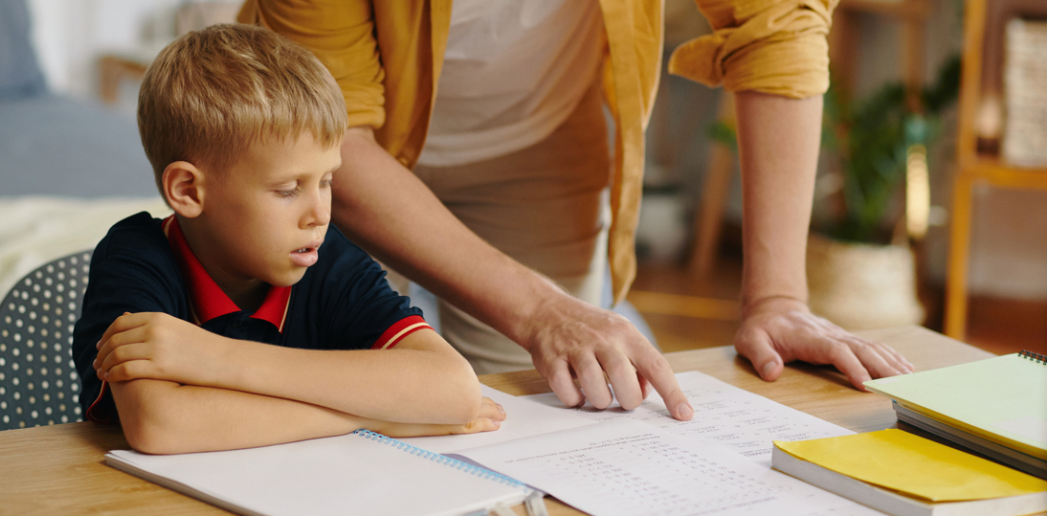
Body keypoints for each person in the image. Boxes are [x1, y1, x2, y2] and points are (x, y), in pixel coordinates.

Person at [236, 0, 915, 419]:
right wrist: (538, 307)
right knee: (325, 405)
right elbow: (330, 135)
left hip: (539, 145)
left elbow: (777, 27)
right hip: (326, 162)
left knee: (547, 410)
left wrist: (778, 297)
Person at [71, 24, 505, 455]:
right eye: (287, 189)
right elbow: (160, 424)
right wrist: (377, 418)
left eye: (327, 181)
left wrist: (215, 357)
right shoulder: (135, 256)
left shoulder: (324, 256)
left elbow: (454, 390)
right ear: (188, 190)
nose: (320, 213)